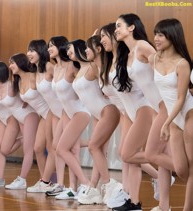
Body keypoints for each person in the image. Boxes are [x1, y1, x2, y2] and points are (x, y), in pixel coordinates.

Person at [115, 13, 175, 211]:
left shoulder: (142, 46)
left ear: (132, 27)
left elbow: (165, 64)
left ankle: (184, 168)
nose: (116, 29)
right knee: (161, 156)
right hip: (158, 108)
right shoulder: (129, 54)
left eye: (119, 26)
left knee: (136, 154)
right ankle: (164, 206)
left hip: (165, 106)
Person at [67, 38, 122, 205]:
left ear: (97, 49)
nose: (85, 51)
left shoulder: (94, 67)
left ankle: (108, 184)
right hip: (99, 114)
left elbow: (108, 85)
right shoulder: (83, 69)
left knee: (93, 147)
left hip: (108, 110)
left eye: (87, 48)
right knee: (97, 149)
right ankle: (95, 188)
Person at [152, 18, 193, 211]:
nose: (156, 38)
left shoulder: (182, 63)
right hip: (174, 119)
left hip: (188, 114)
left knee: (192, 168)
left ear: (172, 36)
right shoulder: (154, 58)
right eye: (156, 34)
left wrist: (166, 123)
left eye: (161, 34)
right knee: (182, 170)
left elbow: (181, 98)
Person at [48, 35, 91, 200]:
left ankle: (82, 184)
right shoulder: (56, 68)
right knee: (57, 146)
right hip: (66, 112)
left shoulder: (73, 66)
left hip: (79, 110)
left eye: (52, 46)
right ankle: (69, 186)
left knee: (66, 149)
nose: (49, 49)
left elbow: (87, 79)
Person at [0, 61, 40, 189]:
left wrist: (27, 102)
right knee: (3, 150)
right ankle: (24, 139)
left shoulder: (11, 85)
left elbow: (28, 94)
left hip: (28, 115)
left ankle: (22, 180)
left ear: (0, 74)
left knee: (29, 150)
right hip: (18, 118)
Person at [26, 39, 61, 193]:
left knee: (51, 147)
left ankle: (46, 181)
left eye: (32, 50)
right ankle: (46, 181)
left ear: (40, 51)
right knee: (38, 148)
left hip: (54, 112)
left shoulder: (49, 67)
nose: (29, 54)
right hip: (45, 113)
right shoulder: (36, 70)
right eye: (28, 51)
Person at [10, 53, 50, 181]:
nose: (10, 66)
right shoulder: (19, 81)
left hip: (50, 112)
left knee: (55, 147)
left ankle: (49, 180)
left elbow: (47, 91)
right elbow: (29, 96)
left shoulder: (33, 76)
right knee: (38, 148)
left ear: (20, 63)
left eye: (12, 63)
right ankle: (45, 180)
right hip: (43, 116)